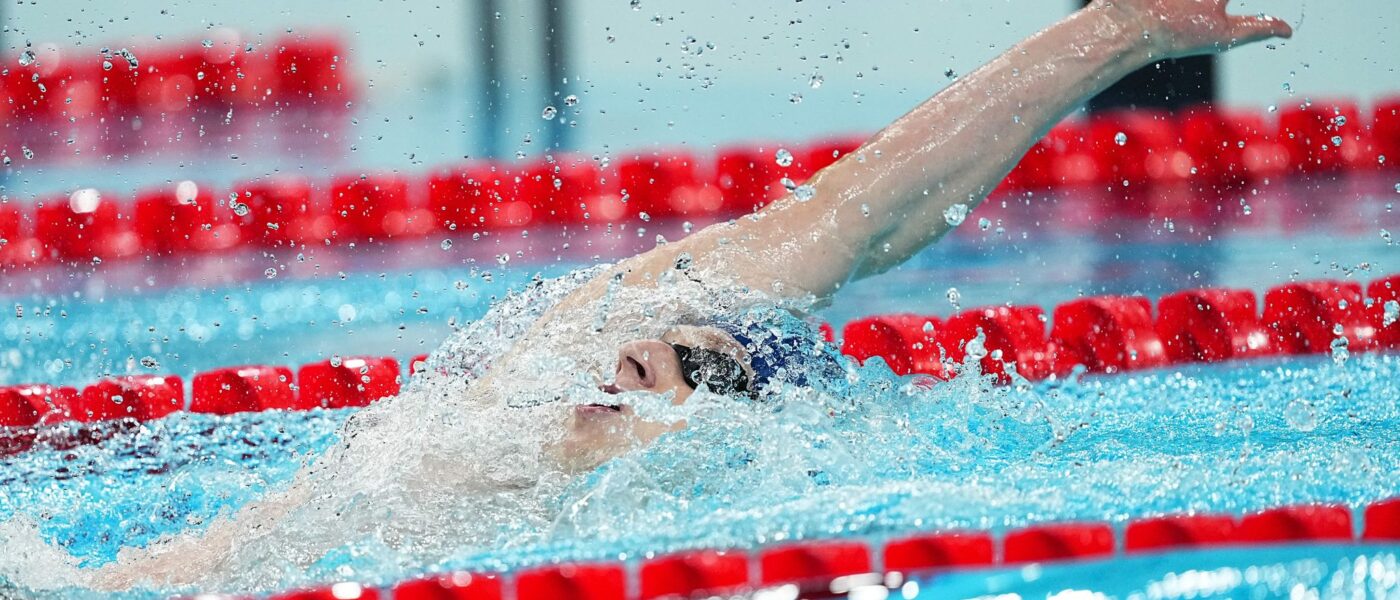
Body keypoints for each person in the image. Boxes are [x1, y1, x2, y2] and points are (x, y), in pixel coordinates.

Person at [56, 0, 1289, 593]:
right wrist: (1103, 35)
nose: (616, 371)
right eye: (645, 350)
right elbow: (869, 210)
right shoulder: (491, 406)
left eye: (665, 378)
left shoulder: (646, 516)